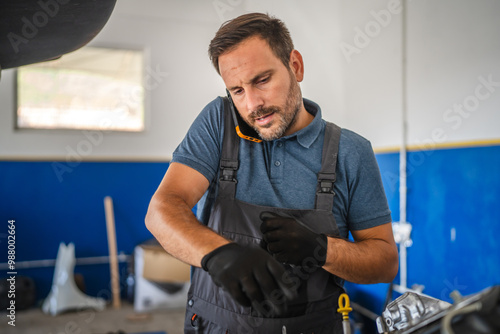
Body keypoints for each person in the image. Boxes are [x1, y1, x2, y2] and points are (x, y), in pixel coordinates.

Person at [146, 12, 398, 333]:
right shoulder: (219, 123)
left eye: (262, 80)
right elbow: (162, 209)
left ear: (295, 66)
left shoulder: (351, 151)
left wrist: (323, 249)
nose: (253, 105)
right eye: (237, 90)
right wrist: (219, 255)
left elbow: (385, 262)